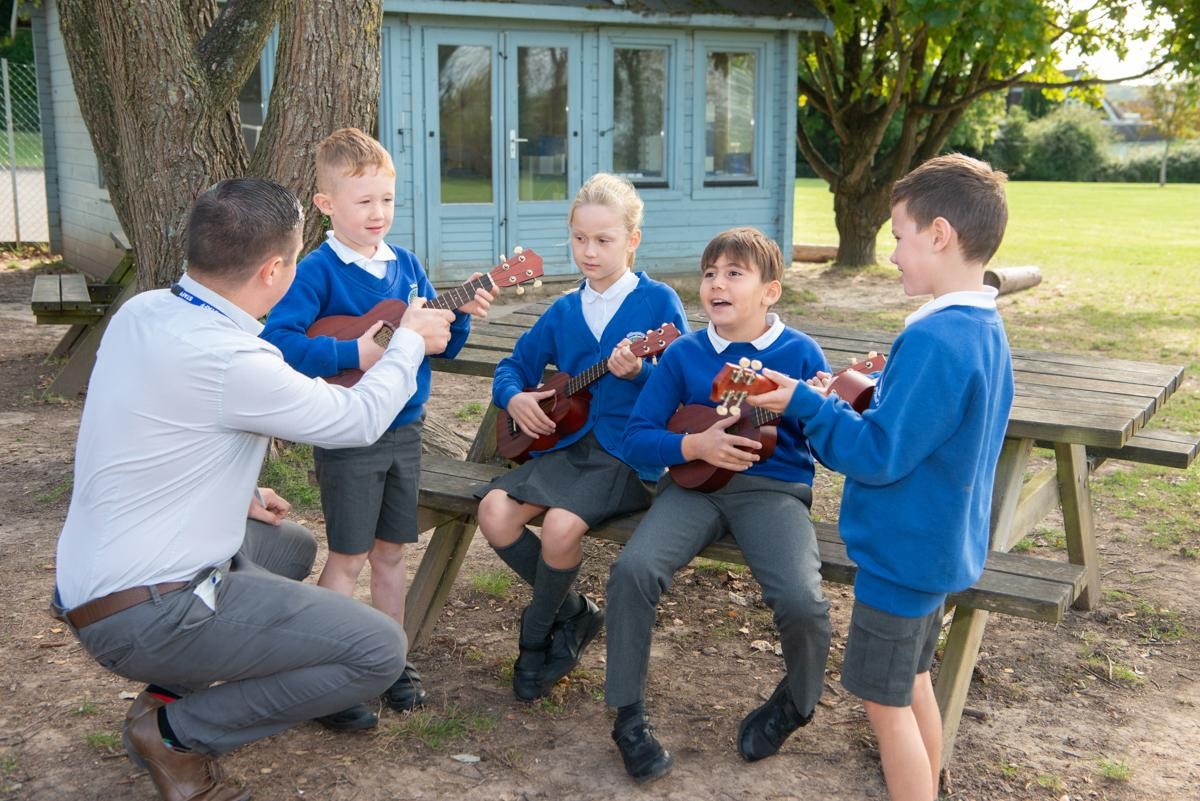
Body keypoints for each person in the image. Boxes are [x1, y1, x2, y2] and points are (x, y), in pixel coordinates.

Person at [52, 177, 457, 801]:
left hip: (93, 582)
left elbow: (147, 429)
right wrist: (405, 343)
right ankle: (176, 733)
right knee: (378, 650)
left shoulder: (145, 310)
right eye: (296, 258)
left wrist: (238, 491)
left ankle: (165, 689)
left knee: (289, 548)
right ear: (274, 271)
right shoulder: (234, 358)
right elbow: (356, 422)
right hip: (148, 611)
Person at [748, 154, 1015, 801]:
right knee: (914, 678)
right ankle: (934, 781)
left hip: (901, 556)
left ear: (941, 234)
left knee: (882, 701)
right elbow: (921, 426)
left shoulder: (936, 339)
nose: (892, 253)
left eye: (899, 237)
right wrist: (846, 399)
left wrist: (809, 406)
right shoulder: (982, 327)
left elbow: (878, 454)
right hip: (933, 548)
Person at [260, 127, 494, 730]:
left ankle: (389, 661)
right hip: (346, 433)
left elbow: (432, 346)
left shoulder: (408, 267)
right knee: (348, 557)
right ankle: (325, 672)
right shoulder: (315, 273)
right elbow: (279, 343)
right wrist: (351, 356)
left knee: (392, 552)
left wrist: (458, 319)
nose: (378, 213)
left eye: (387, 200)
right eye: (363, 202)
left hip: (404, 430)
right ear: (326, 205)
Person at [604, 226, 832, 783]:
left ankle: (796, 703)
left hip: (771, 492)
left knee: (802, 600)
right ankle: (627, 715)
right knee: (633, 569)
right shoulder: (685, 353)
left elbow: (826, 451)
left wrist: (822, 407)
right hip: (693, 487)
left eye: (734, 274)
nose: (717, 284)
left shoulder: (799, 353)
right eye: (710, 274)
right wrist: (693, 446)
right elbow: (637, 435)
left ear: (769, 292)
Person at [474, 173, 689, 702]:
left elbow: (683, 386)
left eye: (603, 240)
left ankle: (534, 638)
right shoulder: (564, 310)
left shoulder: (658, 304)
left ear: (632, 240)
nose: (588, 252)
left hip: (626, 453)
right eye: (579, 239)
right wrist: (515, 398)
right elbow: (512, 365)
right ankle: (575, 613)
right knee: (494, 514)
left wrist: (637, 373)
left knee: (560, 528)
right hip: (566, 448)